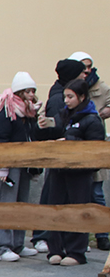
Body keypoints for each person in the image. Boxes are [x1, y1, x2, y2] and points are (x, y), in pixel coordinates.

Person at [45, 77, 106, 265]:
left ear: (81, 97)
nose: (66, 101)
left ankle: (76, 252)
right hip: (59, 170)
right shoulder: (63, 116)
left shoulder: (92, 120)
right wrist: (42, 127)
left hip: (79, 174)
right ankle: (55, 249)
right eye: (65, 96)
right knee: (55, 208)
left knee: (77, 211)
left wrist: (70, 144)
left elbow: (95, 149)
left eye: (70, 97)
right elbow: (51, 134)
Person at [32, 58, 88, 253]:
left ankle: (62, 244)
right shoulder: (59, 99)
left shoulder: (78, 107)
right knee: (52, 199)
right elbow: (59, 129)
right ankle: (44, 237)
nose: (85, 75)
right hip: (59, 158)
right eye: (81, 72)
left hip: (65, 159)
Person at [0, 73, 41, 262]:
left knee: (21, 205)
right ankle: (1, 247)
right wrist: (3, 165)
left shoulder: (30, 113)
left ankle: (18, 243)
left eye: (33, 91)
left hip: (25, 163)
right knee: (6, 205)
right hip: (9, 166)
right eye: (27, 91)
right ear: (19, 92)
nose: (31, 95)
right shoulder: (7, 110)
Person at [69, 52, 110, 251]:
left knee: (97, 193)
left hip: (95, 142)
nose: (87, 70)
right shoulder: (70, 89)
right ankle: (79, 236)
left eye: (89, 66)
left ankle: (102, 234)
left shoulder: (101, 87)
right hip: (76, 150)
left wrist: (105, 112)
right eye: (83, 66)